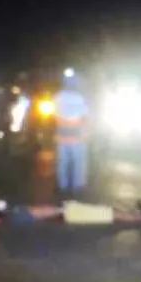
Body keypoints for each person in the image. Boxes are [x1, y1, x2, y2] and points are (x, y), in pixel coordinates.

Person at [54, 69, 89, 200]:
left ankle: (62, 187)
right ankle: (77, 188)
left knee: (62, 163)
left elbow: (55, 115)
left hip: (62, 136)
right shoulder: (80, 98)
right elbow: (85, 116)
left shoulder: (58, 97)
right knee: (78, 164)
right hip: (77, 137)